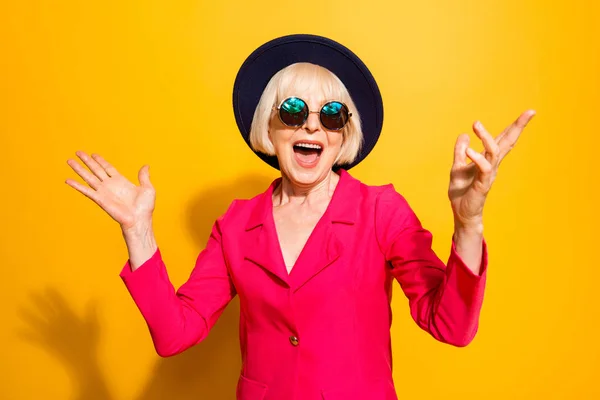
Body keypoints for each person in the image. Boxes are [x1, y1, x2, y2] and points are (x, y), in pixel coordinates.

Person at [65, 34, 536, 400]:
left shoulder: (381, 212)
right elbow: (174, 334)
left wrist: (468, 222)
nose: (312, 125)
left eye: (331, 115)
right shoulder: (235, 225)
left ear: (342, 134)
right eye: (292, 111)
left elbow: (451, 326)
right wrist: (138, 230)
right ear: (268, 127)